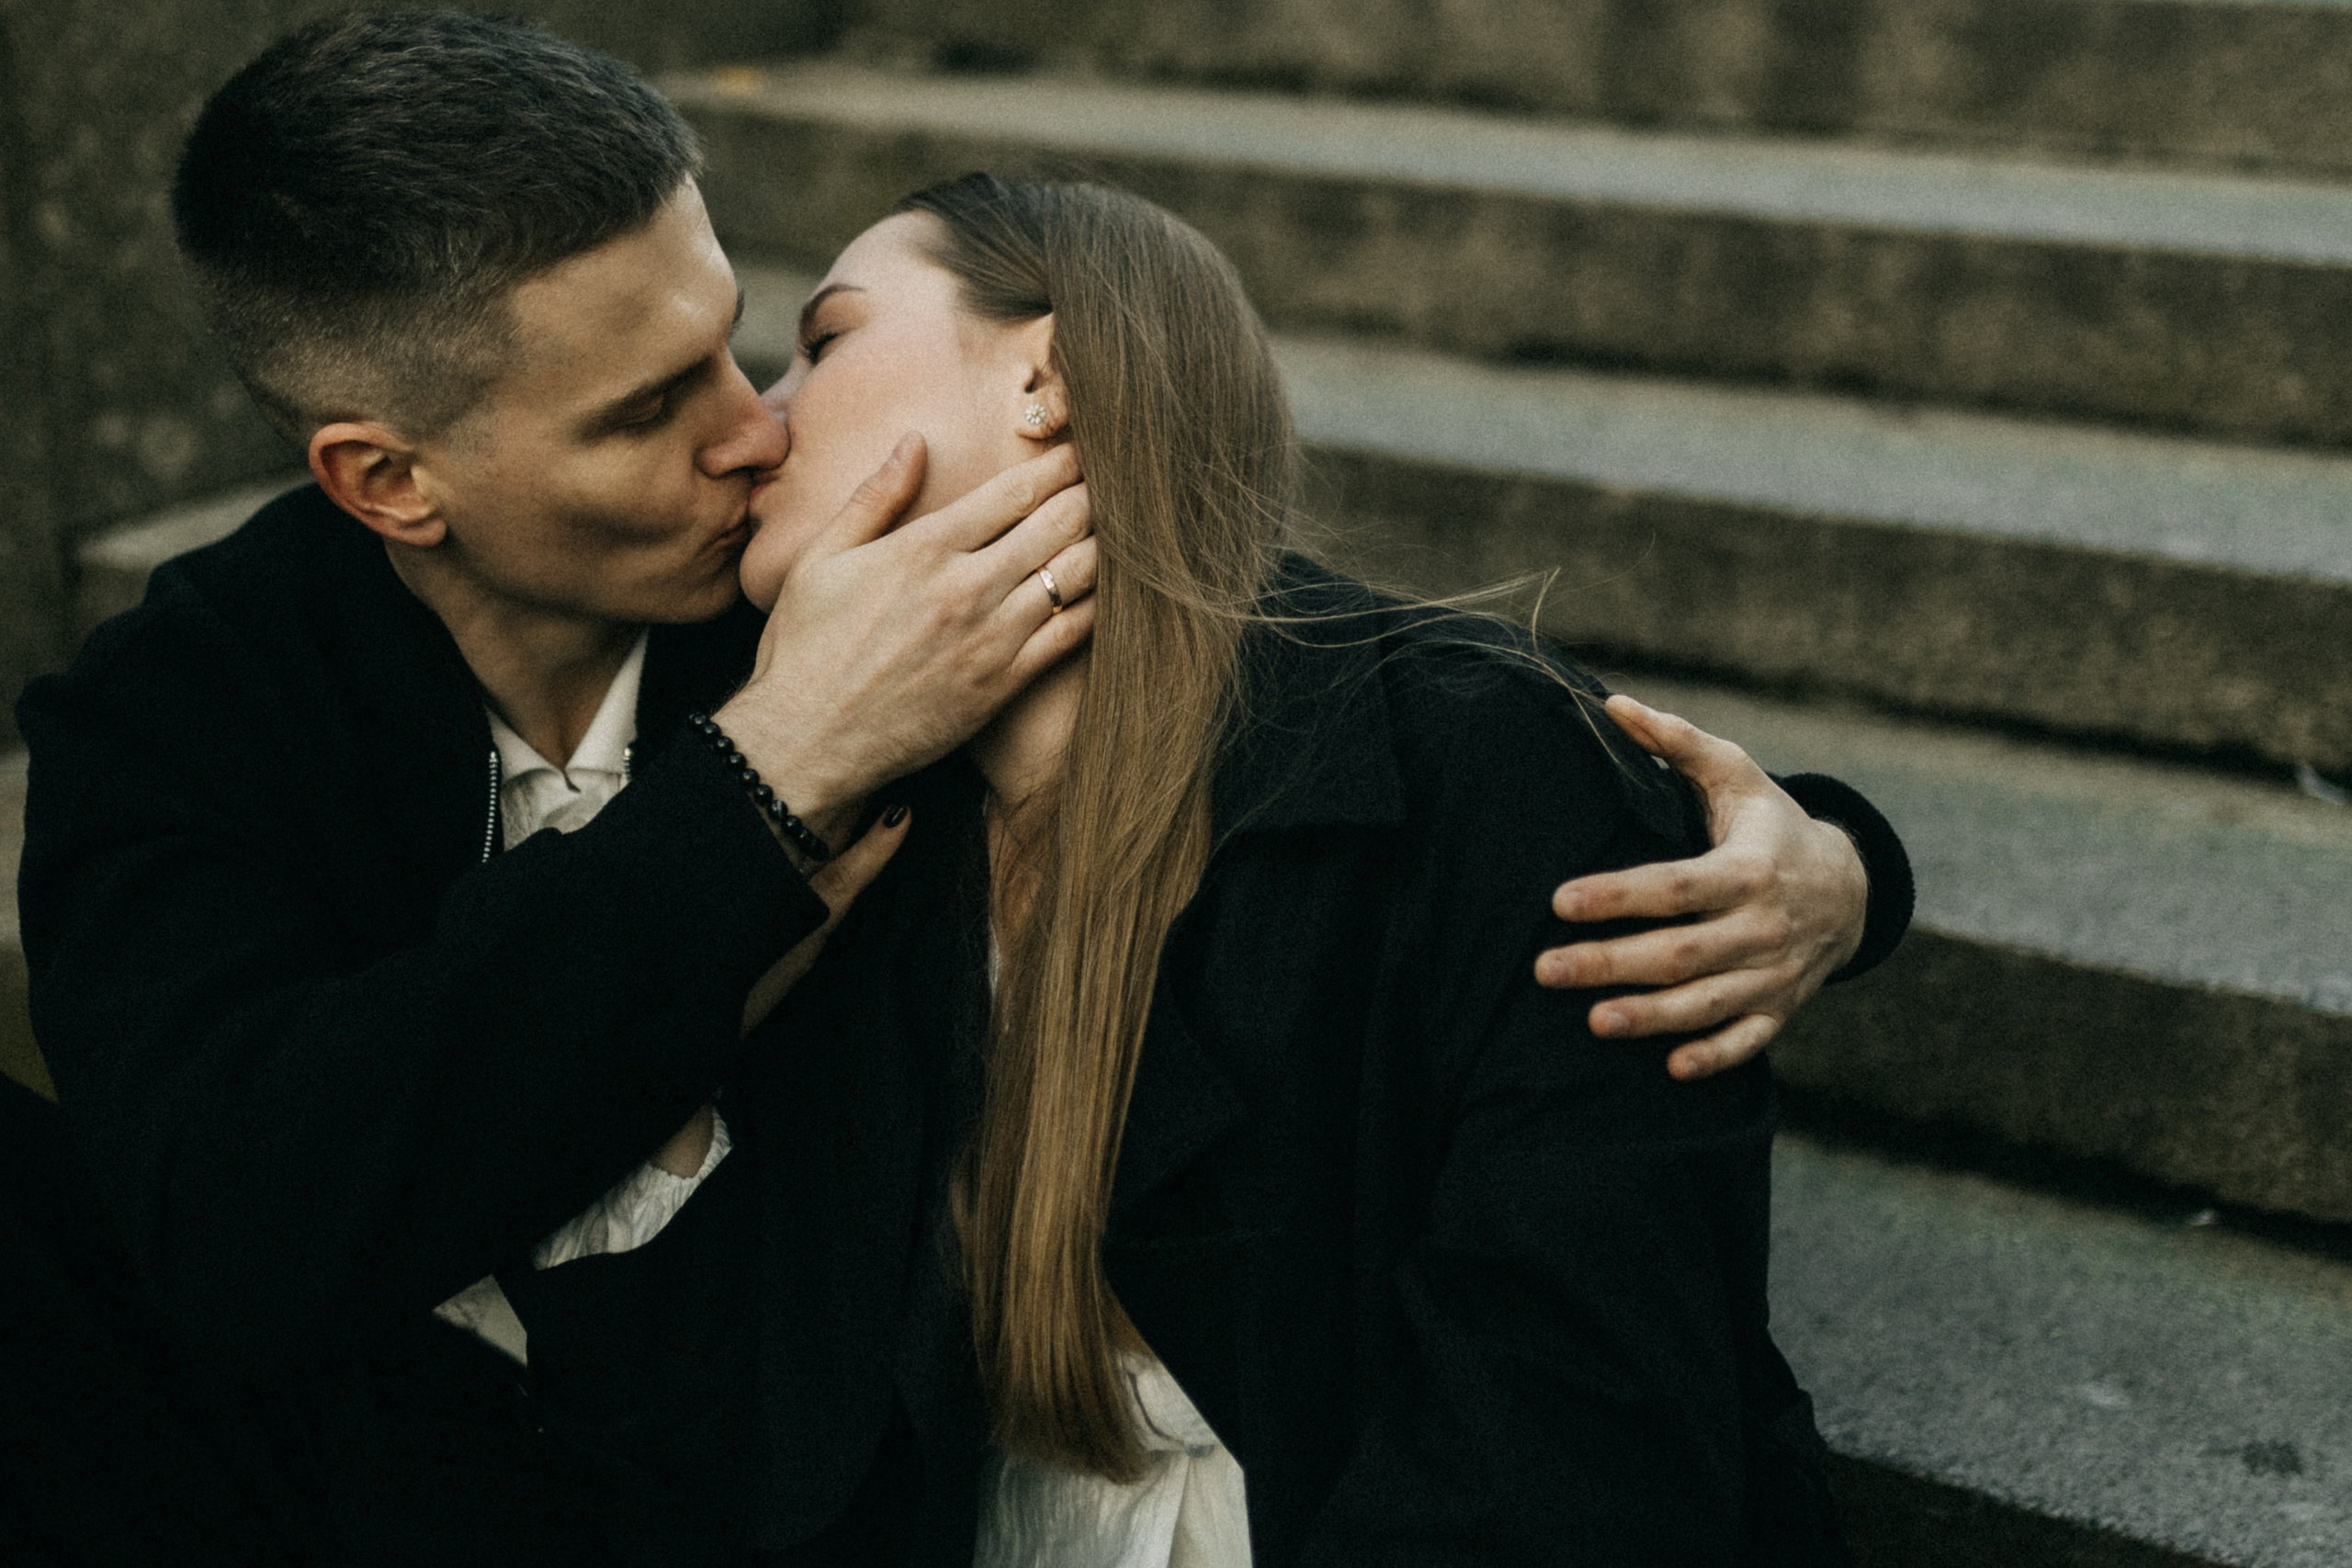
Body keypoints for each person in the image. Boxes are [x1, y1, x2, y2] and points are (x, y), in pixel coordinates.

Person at [7, 14, 1902, 1564]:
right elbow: (241, 1227)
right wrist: (765, 780)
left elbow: (1330, 701)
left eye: (759, 338)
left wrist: (1823, 856)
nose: (748, 432)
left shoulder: (870, 613)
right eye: (643, 411)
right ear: (386, 480)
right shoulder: (188, 716)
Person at [504, 175, 1894, 1566]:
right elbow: (738, 1416)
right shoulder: (852, 820)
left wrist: (1843, 865)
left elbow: (1572, 1451)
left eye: (825, 339)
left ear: (1045, 380)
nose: (758, 423)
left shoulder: (1485, 765)